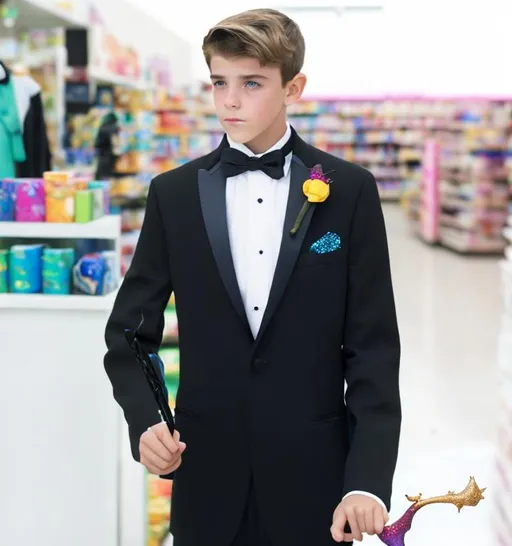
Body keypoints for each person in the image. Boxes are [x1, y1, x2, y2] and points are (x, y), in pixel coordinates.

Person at [104, 8, 401, 546]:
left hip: (316, 482)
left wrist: (368, 482)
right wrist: (146, 419)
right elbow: (129, 333)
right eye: (219, 82)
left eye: (252, 83)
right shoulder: (173, 195)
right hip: (205, 477)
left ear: (294, 87)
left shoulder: (350, 192)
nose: (230, 101)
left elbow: (373, 347)